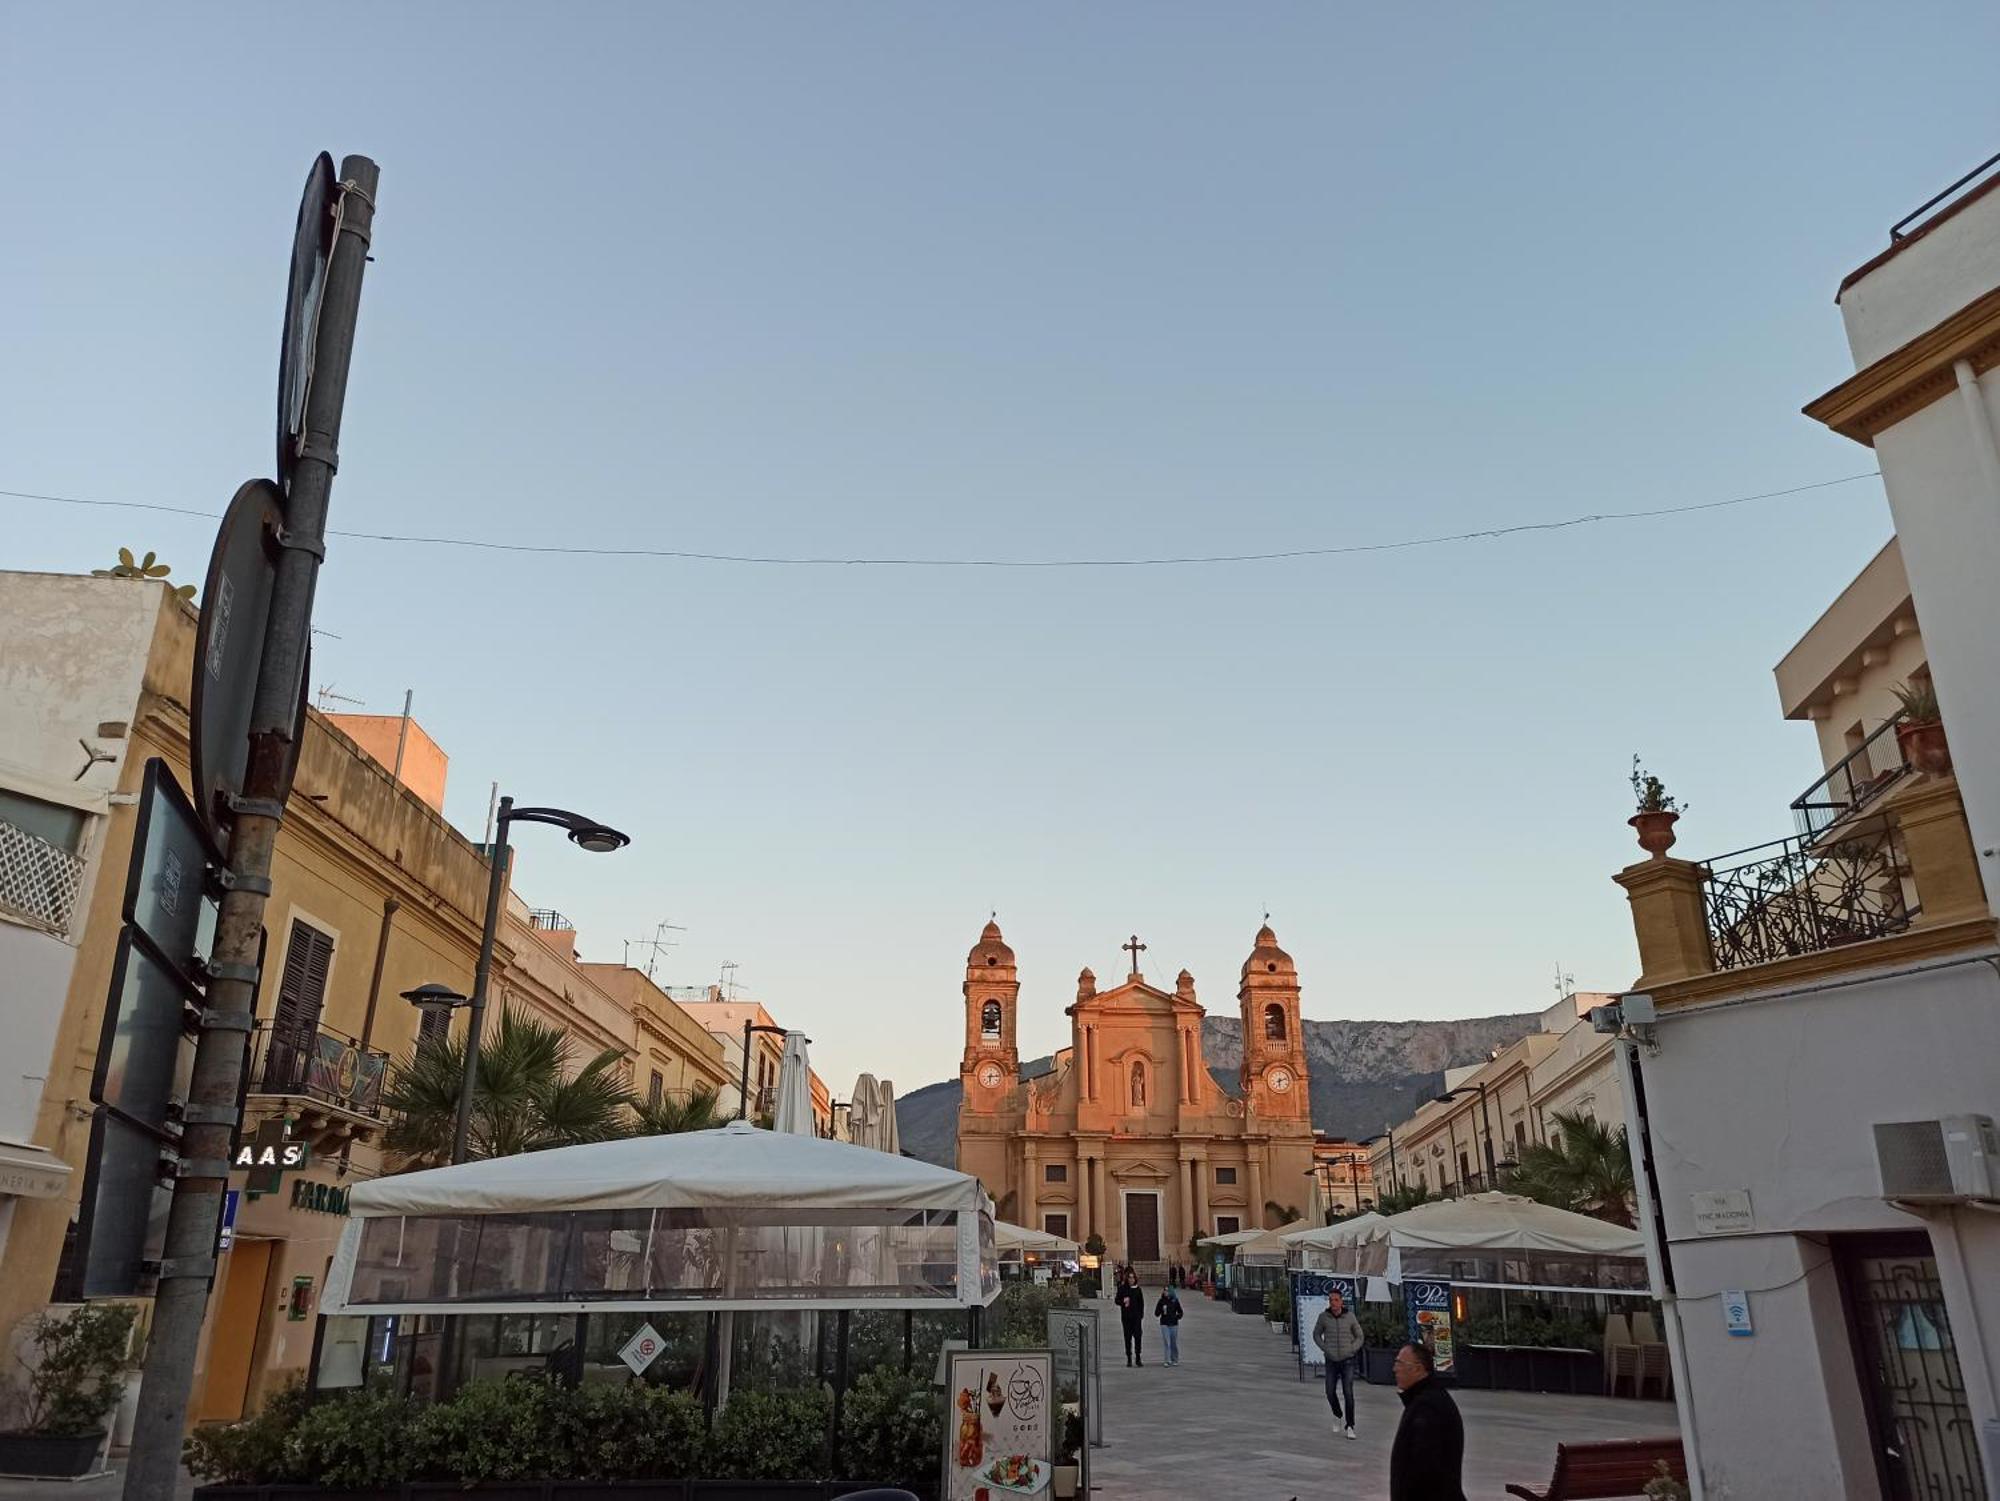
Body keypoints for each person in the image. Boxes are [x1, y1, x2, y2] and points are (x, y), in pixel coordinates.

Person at [1389, 1342, 1466, 1501]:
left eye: (1399, 1363)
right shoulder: (1424, 1400)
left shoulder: (1428, 1408)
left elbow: (1424, 1470)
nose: (1395, 1369)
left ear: (1418, 1368)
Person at [1311, 1289, 1366, 1439]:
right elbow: (1316, 1334)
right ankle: (1337, 1414)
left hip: (1347, 1360)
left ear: (1341, 1301)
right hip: (1331, 1360)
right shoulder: (1324, 1317)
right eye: (1331, 1300)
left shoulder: (1350, 1317)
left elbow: (1360, 1336)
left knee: (1348, 1393)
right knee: (1329, 1391)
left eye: (1336, 1300)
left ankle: (1350, 1425)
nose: (1333, 1303)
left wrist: (1352, 1349)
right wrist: (1325, 1348)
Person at [1114, 1267, 1146, 1366]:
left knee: (1138, 1337)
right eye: (1129, 1278)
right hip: (1126, 1318)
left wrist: (1140, 1315)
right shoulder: (1122, 1289)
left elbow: (1141, 1303)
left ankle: (1138, 1357)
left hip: (1136, 1318)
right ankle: (1129, 1357)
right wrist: (1123, 1302)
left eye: (1133, 1278)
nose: (1131, 1280)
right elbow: (1117, 1300)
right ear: (1127, 1279)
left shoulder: (1138, 1289)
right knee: (1127, 1338)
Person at [1154, 1283, 1184, 1365]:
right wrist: (1160, 1310)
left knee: (1173, 1342)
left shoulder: (1175, 1301)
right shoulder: (1161, 1301)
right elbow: (1156, 1313)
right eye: (1164, 1290)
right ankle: (1167, 1360)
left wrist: (1177, 1317)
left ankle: (1174, 1359)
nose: (1165, 1292)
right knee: (1167, 1342)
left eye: (1167, 1291)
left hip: (1174, 1324)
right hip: (1164, 1323)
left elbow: (1180, 1311)